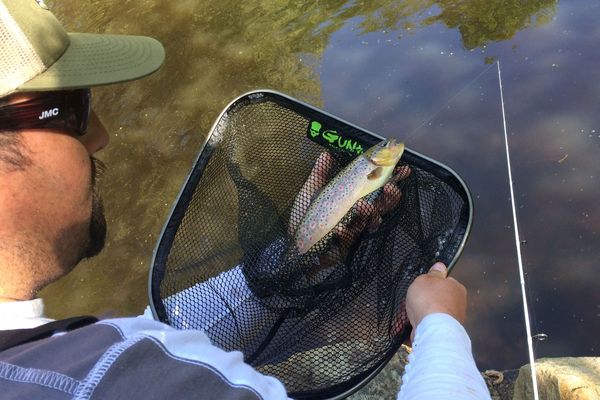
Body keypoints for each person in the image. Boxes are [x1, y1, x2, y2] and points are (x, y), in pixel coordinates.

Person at [0, 1, 491, 399]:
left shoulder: (57, 353)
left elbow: (170, 334)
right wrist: (441, 329)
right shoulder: (124, 379)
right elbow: (155, 356)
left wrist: (284, 263)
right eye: (69, 110)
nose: (101, 136)